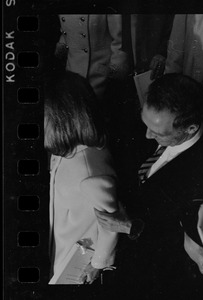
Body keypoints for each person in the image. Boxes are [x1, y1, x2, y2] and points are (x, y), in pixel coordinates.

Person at [95, 73, 203, 298]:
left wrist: (132, 227)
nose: (146, 135)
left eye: (157, 133)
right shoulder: (153, 124)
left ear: (190, 128)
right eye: (145, 123)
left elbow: (189, 242)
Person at [44, 71, 118, 284]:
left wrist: (98, 263)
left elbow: (110, 224)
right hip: (60, 242)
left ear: (63, 119)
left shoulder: (90, 171)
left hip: (74, 259)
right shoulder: (68, 150)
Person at [55, 15, 129, 100]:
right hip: (71, 72)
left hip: (99, 76)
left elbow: (119, 43)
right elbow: (66, 34)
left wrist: (113, 75)